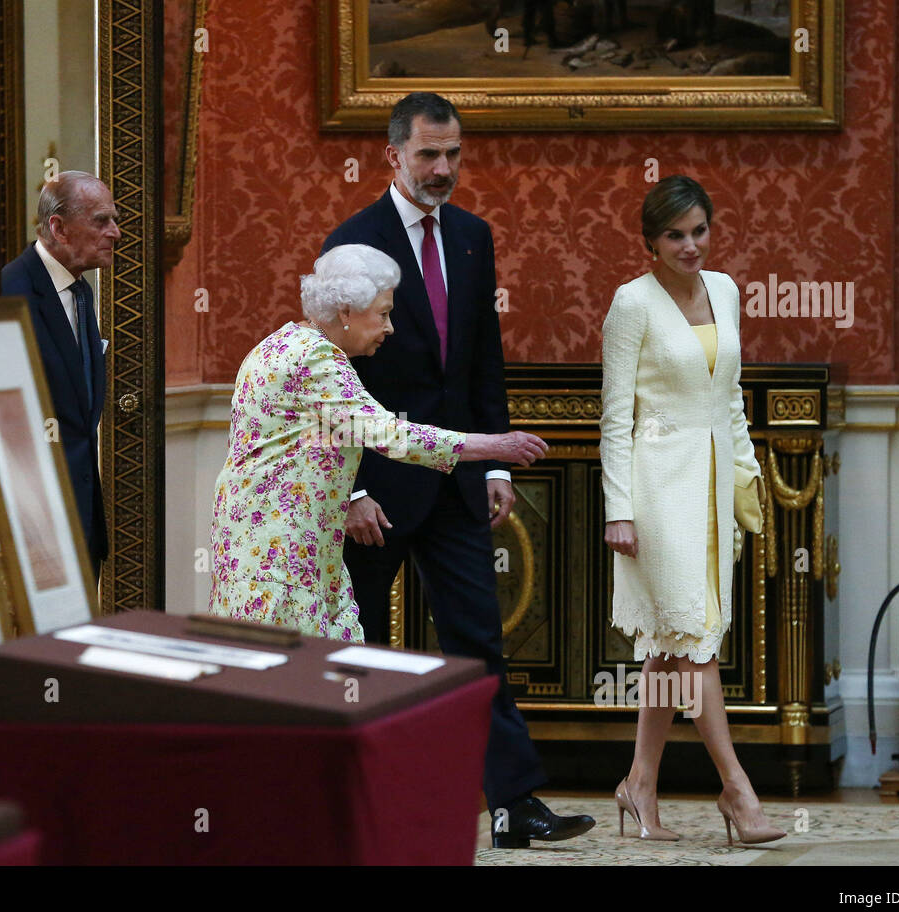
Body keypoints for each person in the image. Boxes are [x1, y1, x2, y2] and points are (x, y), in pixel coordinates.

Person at [321, 92, 595, 849]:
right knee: (365, 645)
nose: (443, 169)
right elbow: (334, 381)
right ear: (393, 156)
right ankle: (361, 799)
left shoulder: (473, 238)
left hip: (457, 479)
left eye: (453, 155)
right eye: (428, 156)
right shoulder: (352, 242)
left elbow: (480, 362)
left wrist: (493, 462)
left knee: (480, 640)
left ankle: (512, 802)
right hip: (377, 488)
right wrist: (354, 488)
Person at [209, 244, 548, 645]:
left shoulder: (282, 342)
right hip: (278, 552)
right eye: (384, 314)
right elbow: (389, 435)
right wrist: (495, 445)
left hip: (276, 543)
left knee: (303, 671)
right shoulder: (317, 360)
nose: (390, 328)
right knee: (288, 680)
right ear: (347, 312)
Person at [600, 175, 786, 845]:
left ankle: (638, 785)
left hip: (710, 490)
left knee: (669, 648)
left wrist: (746, 475)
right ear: (650, 241)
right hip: (655, 489)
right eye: (675, 235)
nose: (690, 245)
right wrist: (618, 510)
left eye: (699, 230)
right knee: (695, 642)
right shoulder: (632, 304)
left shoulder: (728, 291)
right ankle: (738, 790)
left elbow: (729, 398)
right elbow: (614, 418)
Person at [1, 171, 118, 584]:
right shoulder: (9, 292)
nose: (115, 233)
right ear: (59, 228)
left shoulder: (81, 290)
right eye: (101, 221)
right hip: (32, 523)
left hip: (82, 522)